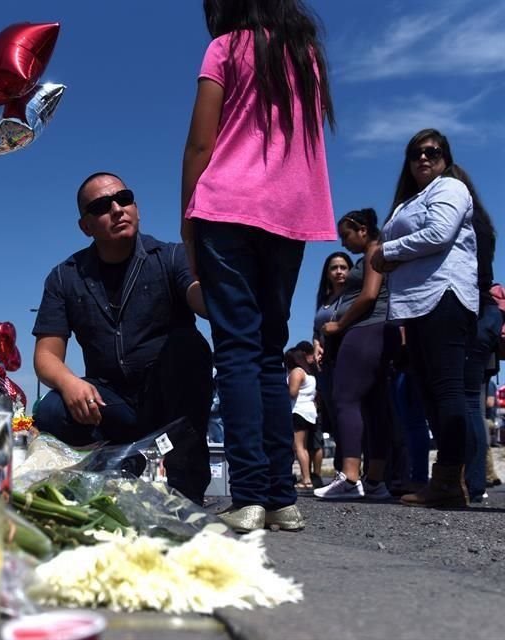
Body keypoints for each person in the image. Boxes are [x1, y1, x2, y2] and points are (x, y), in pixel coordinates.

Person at [180, 0, 336, 532]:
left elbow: (203, 139)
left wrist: (187, 218)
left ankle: (247, 495)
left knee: (238, 351)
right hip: (290, 213)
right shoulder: (305, 55)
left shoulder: (225, 47)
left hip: (228, 205)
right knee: (269, 350)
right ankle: (278, 498)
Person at [32, 172, 214, 505]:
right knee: (51, 410)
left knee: (189, 346)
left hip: (167, 398)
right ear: (85, 226)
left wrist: (216, 282)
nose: (117, 209)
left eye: (124, 198)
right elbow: (46, 356)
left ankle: (186, 487)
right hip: (111, 402)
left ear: (137, 207)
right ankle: (113, 472)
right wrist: (70, 383)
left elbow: (198, 298)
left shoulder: (171, 256)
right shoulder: (63, 276)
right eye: (102, 206)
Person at [371, 128, 478, 508]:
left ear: (445, 157)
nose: (423, 158)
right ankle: (448, 482)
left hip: (443, 295)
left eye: (432, 151)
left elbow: (439, 233)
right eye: (416, 153)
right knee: (430, 392)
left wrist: (388, 251)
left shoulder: (450, 188)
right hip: (414, 304)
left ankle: (451, 478)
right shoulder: (410, 201)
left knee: (447, 389)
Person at [314, 209, 393, 501]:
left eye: (346, 235)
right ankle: (375, 481)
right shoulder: (374, 253)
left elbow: (370, 294)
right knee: (374, 405)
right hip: (378, 330)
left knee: (346, 398)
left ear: (362, 230)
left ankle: (349, 477)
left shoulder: (375, 251)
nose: (343, 243)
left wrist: (340, 324)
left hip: (365, 330)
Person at [459, 169, 499, 502]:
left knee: (468, 402)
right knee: (471, 403)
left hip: (471, 313)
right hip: (484, 314)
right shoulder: (484, 225)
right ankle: (474, 481)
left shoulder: (464, 225)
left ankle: (471, 481)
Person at [312, 253, 352, 475]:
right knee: (334, 415)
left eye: (344, 267)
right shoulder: (324, 300)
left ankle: (351, 468)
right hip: (326, 364)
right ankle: (341, 468)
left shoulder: (353, 297)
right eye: (334, 268)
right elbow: (317, 329)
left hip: (347, 359)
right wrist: (316, 343)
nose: (339, 272)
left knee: (349, 412)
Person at [293, 340, 325, 486]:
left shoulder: (300, 371)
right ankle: (313, 476)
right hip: (313, 410)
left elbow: (292, 392)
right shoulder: (313, 371)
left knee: (302, 446)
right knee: (313, 445)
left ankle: (308, 477)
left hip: (302, 411)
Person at [285, 348, 317, 491]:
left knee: (298, 447)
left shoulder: (296, 372)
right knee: (304, 447)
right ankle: (307, 477)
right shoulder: (309, 374)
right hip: (309, 412)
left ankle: (306, 479)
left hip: (298, 411)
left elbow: (292, 393)